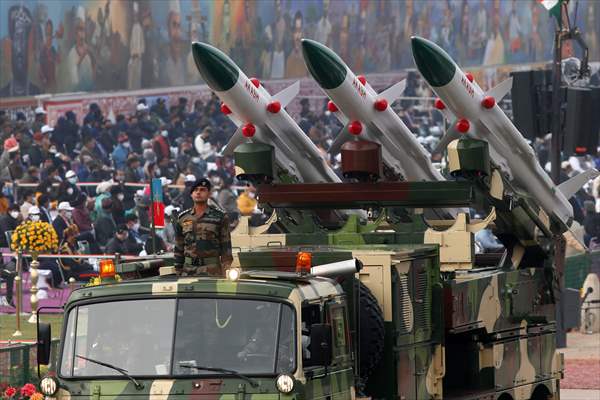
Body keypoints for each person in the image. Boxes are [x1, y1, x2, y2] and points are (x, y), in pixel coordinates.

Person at [174, 178, 232, 276]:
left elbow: (226, 247)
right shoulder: (183, 218)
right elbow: (179, 247)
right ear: (191, 194)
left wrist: (226, 270)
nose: (198, 192)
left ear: (209, 194)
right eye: (195, 190)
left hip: (212, 271)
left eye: (202, 190)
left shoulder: (220, 217)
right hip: (188, 271)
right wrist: (178, 270)